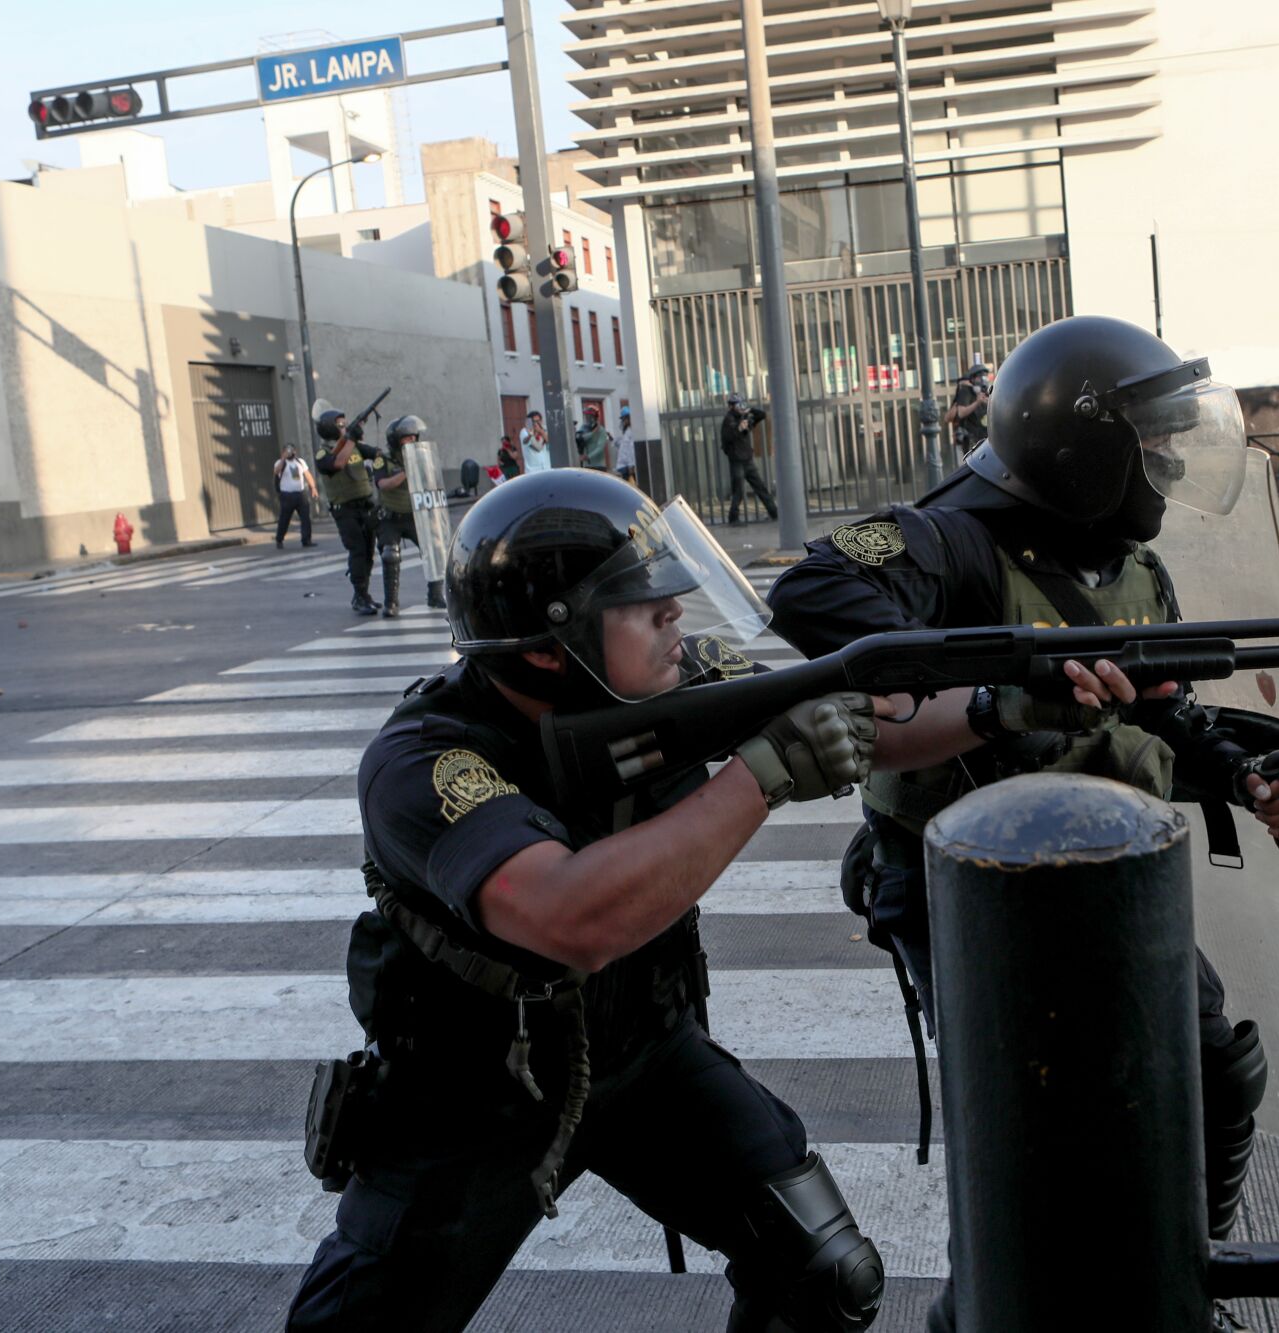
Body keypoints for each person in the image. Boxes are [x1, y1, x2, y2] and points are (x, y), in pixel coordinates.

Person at [768, 314, 1279, 1333]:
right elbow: (813, 588)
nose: (1168, 461)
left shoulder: (1132, 570)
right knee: (1019, 1128)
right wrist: (999, 677)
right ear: (1084, 451)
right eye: (1148, 442)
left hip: (1109, 874)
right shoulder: (949, 539)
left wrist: (1238, 772)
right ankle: (981, 1311)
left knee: (1208, 1077)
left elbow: (1159, 712)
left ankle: (1178, 1278)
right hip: (969, 885)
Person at [288, 470, 887, 1333]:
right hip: (476, 1092)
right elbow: (573, 920)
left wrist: (1000, 701)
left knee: (827, 1272)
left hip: (645, 1053)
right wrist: (758, 777)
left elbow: (862, 715)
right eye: (647, 606)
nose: (677, 617)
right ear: (545, 646)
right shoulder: (424, 761)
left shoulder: (672, 679)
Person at [373, 415, 447, 617]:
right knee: (390, 554)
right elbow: (382, 485)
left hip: (415, 515)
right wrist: (407, 472)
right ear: (396, 440)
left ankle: (435, 595)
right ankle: (391, 603)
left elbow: (431, 483)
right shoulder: (383, 460)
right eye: (407, 438)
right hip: (390, 516)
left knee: (434, 549)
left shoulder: (422, 456)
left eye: (414, 437)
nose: (411, 442)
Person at [315, 409, 383, 616]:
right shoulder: (323, 453)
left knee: (369, 552)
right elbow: (338, 463)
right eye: (340, 425)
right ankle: (359, 595)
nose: (344, 428)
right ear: (329, 428)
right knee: (357, 550)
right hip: (345, 510)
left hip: (365, 505)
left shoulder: (355, 447)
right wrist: (351, 439)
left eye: (346, 425)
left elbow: (378, 454)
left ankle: (364, 593)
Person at [719, 393, 778, 525]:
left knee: (760, 487)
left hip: (747, 460)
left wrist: (749, 410)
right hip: (737, 461)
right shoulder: (728, 420)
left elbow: (761, 415)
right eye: (738, 404)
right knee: (738, 490)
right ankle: (733, 518)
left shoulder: (743, 417)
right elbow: (727, 439)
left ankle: (774, 512)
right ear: (731, 406)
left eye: (742, 404)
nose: (740, 407)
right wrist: (739, 429)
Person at [274, 445, 317, 549]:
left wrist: (313, 487)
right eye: (287, 451)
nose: (290, 453)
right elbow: (276, 471)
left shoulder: (300, 462)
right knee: (284, 519)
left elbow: (307, 474)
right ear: (283, 452)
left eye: (292, 451)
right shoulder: (280, 462)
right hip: (287, 495)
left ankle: (306, 540)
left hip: (300, 494)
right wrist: (283, 458)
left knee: (305, 518)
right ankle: (279, 539)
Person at [943, 363, 990, 456]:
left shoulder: (986, 391)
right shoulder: (966, 392)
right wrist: (977, 402)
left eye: (984, 376)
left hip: (986, 439)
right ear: (972, 378)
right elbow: (961, 413)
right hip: (971, 443)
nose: (982, 379)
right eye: (979, 376)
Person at [577, 405, 613, 472]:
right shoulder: (583, 428)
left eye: (589, 416)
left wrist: (588, 456)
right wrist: (592, 433)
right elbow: (581, 439)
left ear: (593, 417)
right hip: (586, 466)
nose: (587, 419)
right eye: (586, 416)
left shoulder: (601, 430)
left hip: (598, 465)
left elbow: (600, 448)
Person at [614, 405, 638, 484]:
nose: (623, 421)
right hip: (623, 466)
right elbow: (624, 446)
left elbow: (631, 450)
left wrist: (631, 465)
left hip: (626, 467)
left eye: (624, 419)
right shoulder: (627, 431)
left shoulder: (631, 431)